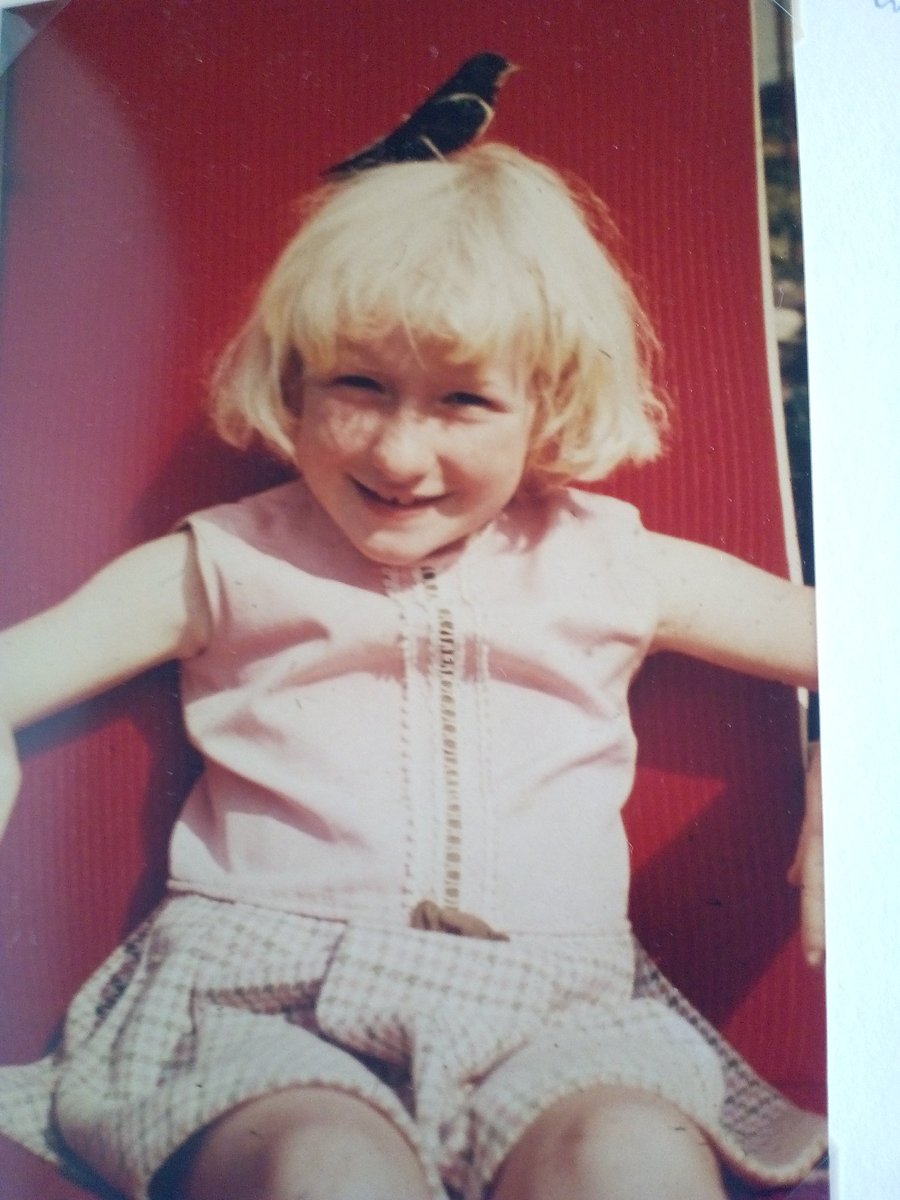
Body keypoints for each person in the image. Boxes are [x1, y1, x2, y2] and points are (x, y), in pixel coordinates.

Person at [0, 143, 825, 1200]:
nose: (397, 454)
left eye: (463, 401)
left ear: (547, 407)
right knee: (325, 1169)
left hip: (558, 1015)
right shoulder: (226, 560)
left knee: (630, 1160)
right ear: (294, 383)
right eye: (360, 385)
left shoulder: (614, 564)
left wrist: (847, 768)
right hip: (262, 1011)